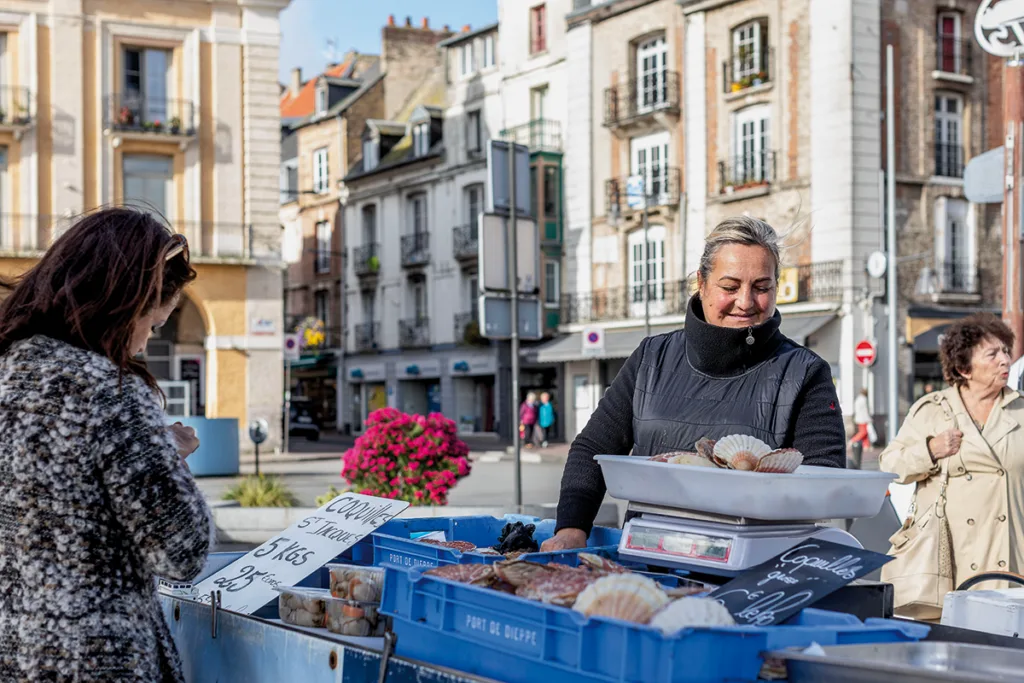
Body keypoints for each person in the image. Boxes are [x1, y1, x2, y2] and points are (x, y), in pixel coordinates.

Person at [542, 217, 846, 551]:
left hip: (753, 568)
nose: (745, 302)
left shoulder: (805, 372)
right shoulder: (650, 357)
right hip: (649, 557)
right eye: (729, 287)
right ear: (701, 283)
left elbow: (823, 481)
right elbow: (593, 447)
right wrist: (571, 527)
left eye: (761, 287)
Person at [0, 208, 212, 682]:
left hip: (15, 654)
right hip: (100, 660)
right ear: (122, 303)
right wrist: (164, 455)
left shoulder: (8, 370)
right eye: (152, 325)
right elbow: (182, 552)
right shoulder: (108, 390)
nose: (142, 346)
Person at [879, 314, 1024, 617]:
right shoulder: (933, 411)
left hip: (1010, 557)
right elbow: (890, 465)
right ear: (963, 368)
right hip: (948, 562)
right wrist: (930, 450)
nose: (1005, 360)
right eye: (992, 354)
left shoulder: (1020, 410)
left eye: (1006, 351)